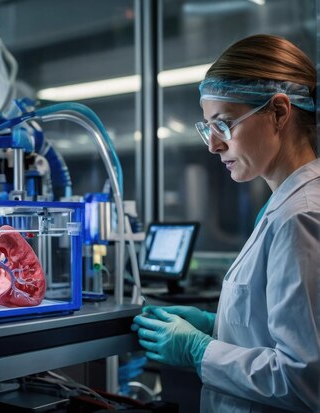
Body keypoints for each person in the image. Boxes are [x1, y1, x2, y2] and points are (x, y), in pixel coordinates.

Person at [132, 34, 320, 412]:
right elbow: (278, 331)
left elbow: (303, 381)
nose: (213, 145)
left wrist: (200, 350)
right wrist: (214, 325)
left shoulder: (300, 216)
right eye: (208, 127)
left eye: (224, 124)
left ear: (280, 112)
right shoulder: (282, 205)